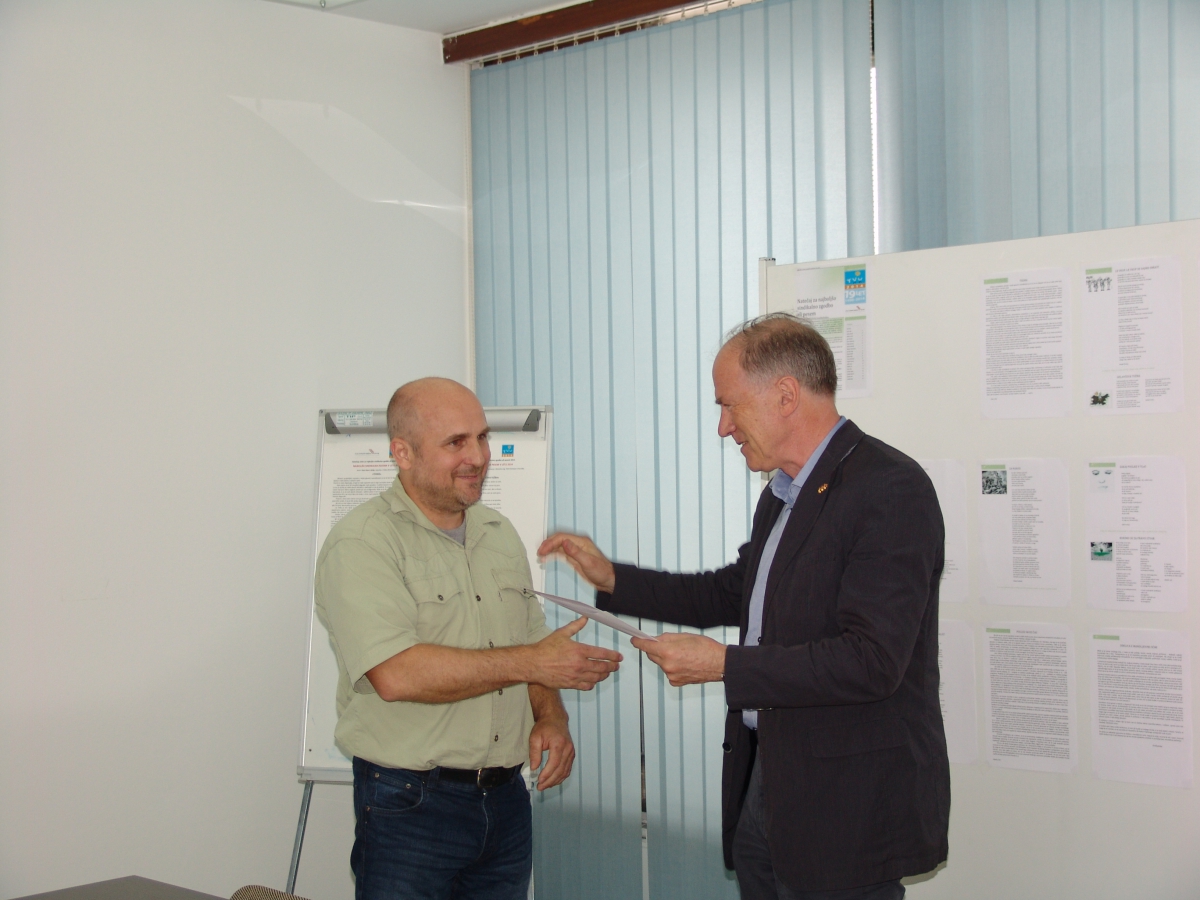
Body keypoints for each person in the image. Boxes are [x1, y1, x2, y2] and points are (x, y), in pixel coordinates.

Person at [539, 314, 950, 900]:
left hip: (846, 806)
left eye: (730, 406)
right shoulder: (782, 494)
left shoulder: (888, 488)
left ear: (785, 395)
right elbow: (733, 592)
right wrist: (612, 578)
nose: (723, 427)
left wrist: (724, 665)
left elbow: (872, 660)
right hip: (768, 783)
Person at [315, 377, 622, 900]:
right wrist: (532, 662)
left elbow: (531, 642)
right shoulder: (363, 543)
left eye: (482, 437)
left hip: (505, 801)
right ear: (402, 453)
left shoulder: (498, 533)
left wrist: (551, 716)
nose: (478, 457)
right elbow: (395, 673)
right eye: (456, 442)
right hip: (409, 804)